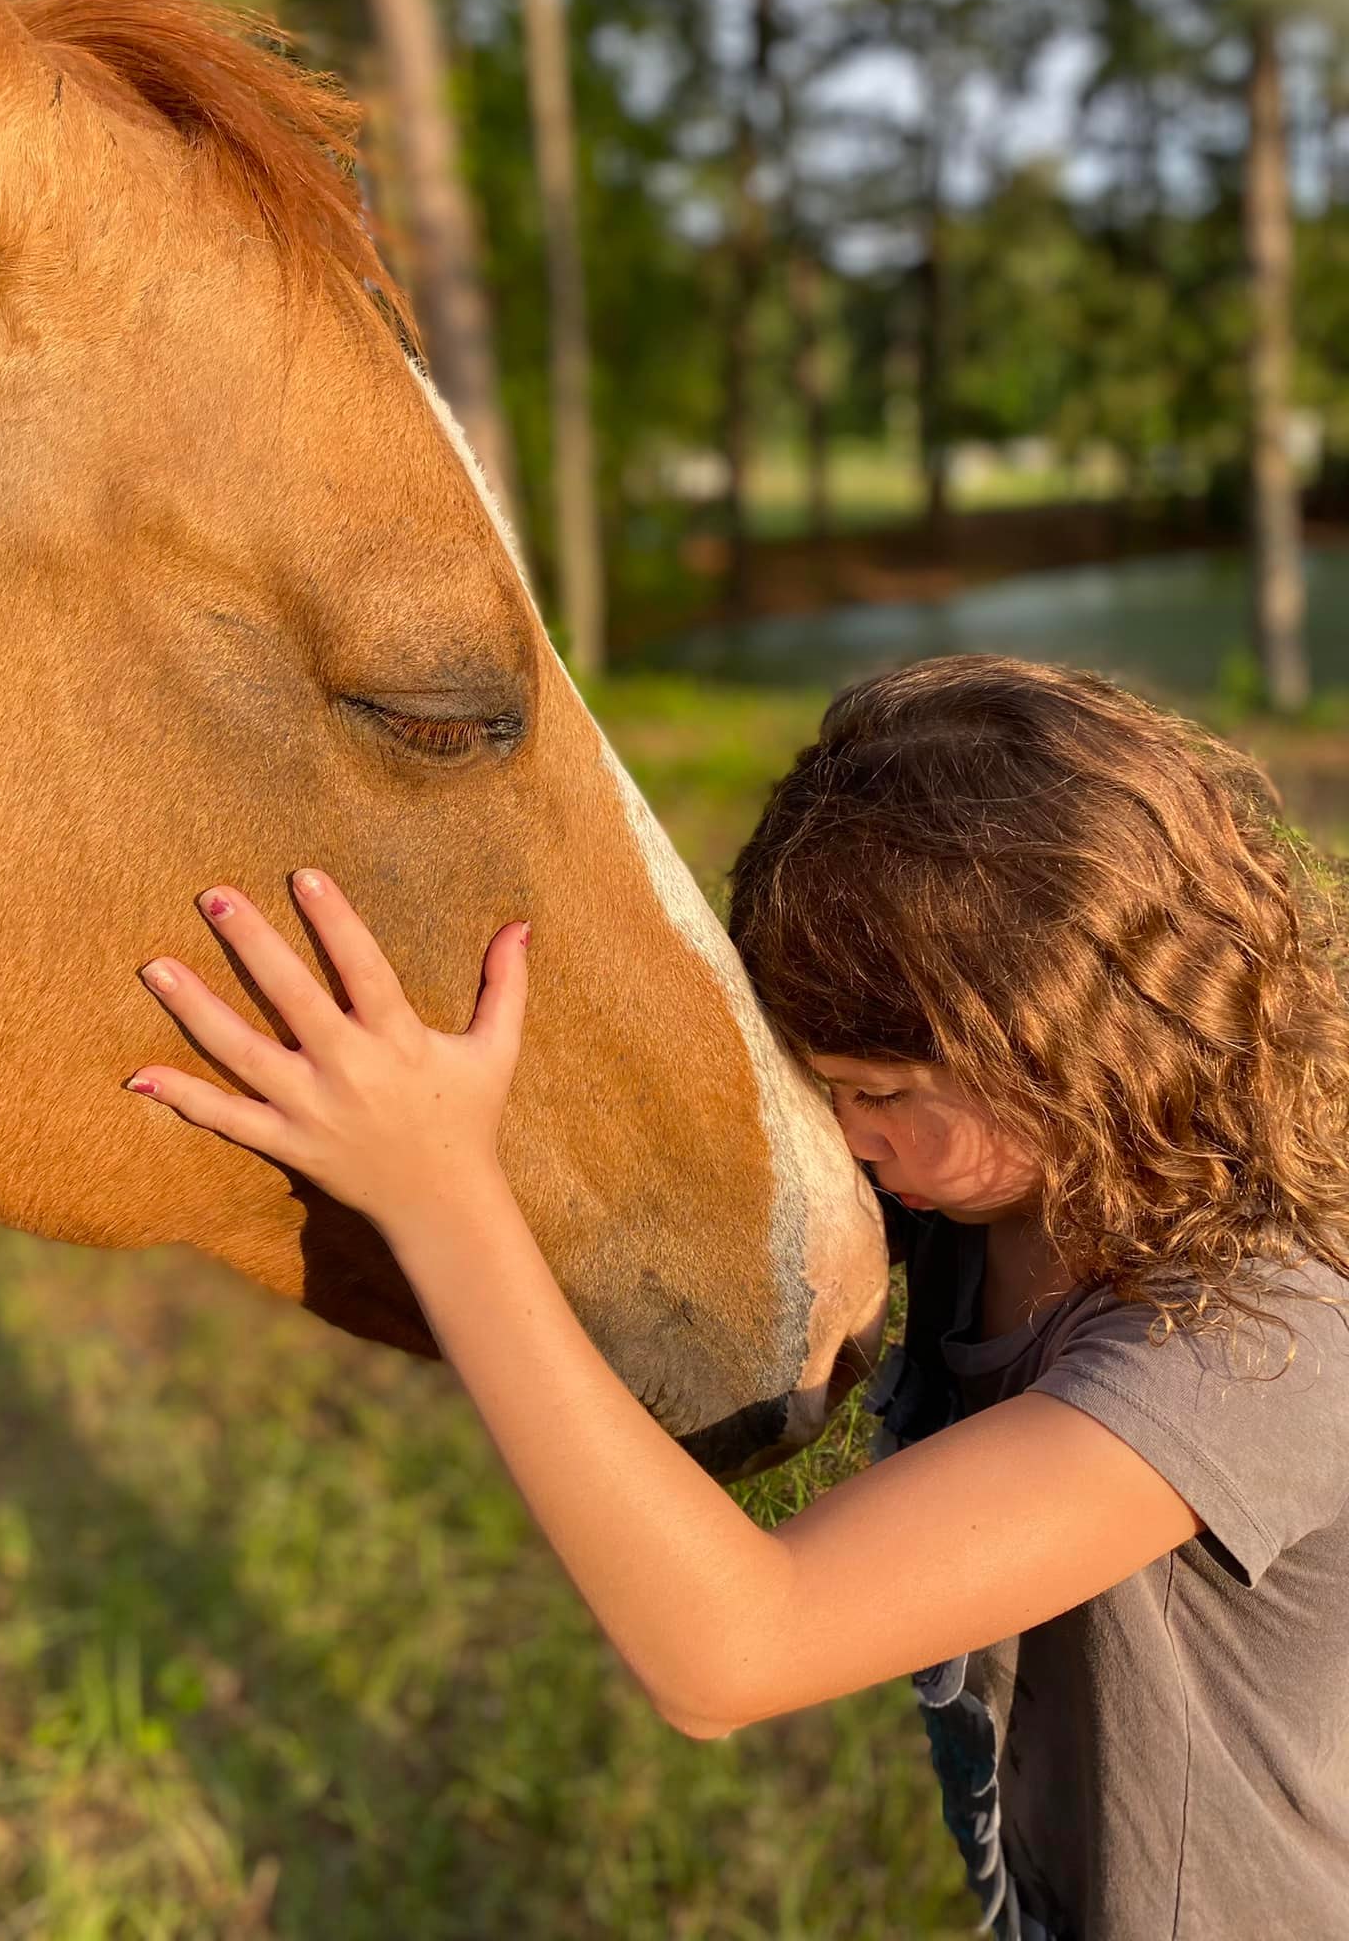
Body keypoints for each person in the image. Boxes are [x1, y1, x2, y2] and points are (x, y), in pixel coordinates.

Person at [122, 655, 1349, 1941]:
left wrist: (441, 1197)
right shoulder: (1015, 1194)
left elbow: (735, 1651)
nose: (851, 1134)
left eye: (879, 1092)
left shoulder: (1253, 1344)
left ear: (1063, 1049)